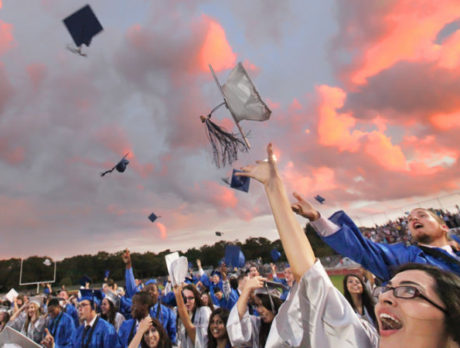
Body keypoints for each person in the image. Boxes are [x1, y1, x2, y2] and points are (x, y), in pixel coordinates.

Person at [234, 143, 460, 347]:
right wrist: (275, 188)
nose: (385, 297)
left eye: (409, 291)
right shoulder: (404, 256)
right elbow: (314, 281)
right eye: (387, 288)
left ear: (444, 227)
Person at [291, 193, 460, 280]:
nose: (414, 218)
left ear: (444, 226)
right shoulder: (404, 257)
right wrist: (316, 217)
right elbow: (361, 249)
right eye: (409, 219)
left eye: (422, 215)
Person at [122, 249, 177, 344]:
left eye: (153, 289)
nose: (150, 292)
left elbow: (173, 337)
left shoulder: (167, 313)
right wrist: (128, 265)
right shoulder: (139, 310)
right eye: (147, 290)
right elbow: (131, 288)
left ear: (158, 293)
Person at [43, 294, 121, 348]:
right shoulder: (80, 330)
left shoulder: (107, 329)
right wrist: (53, 346)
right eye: (78, 306)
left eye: (83, 305)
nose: (79, 309)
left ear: (93, 306)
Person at [174, 283, 212, 348]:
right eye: (184, 298)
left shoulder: (204, 311)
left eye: (190, 298)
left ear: (196, 298)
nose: (187, 301)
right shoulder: (179, 316)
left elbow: (201, 340)